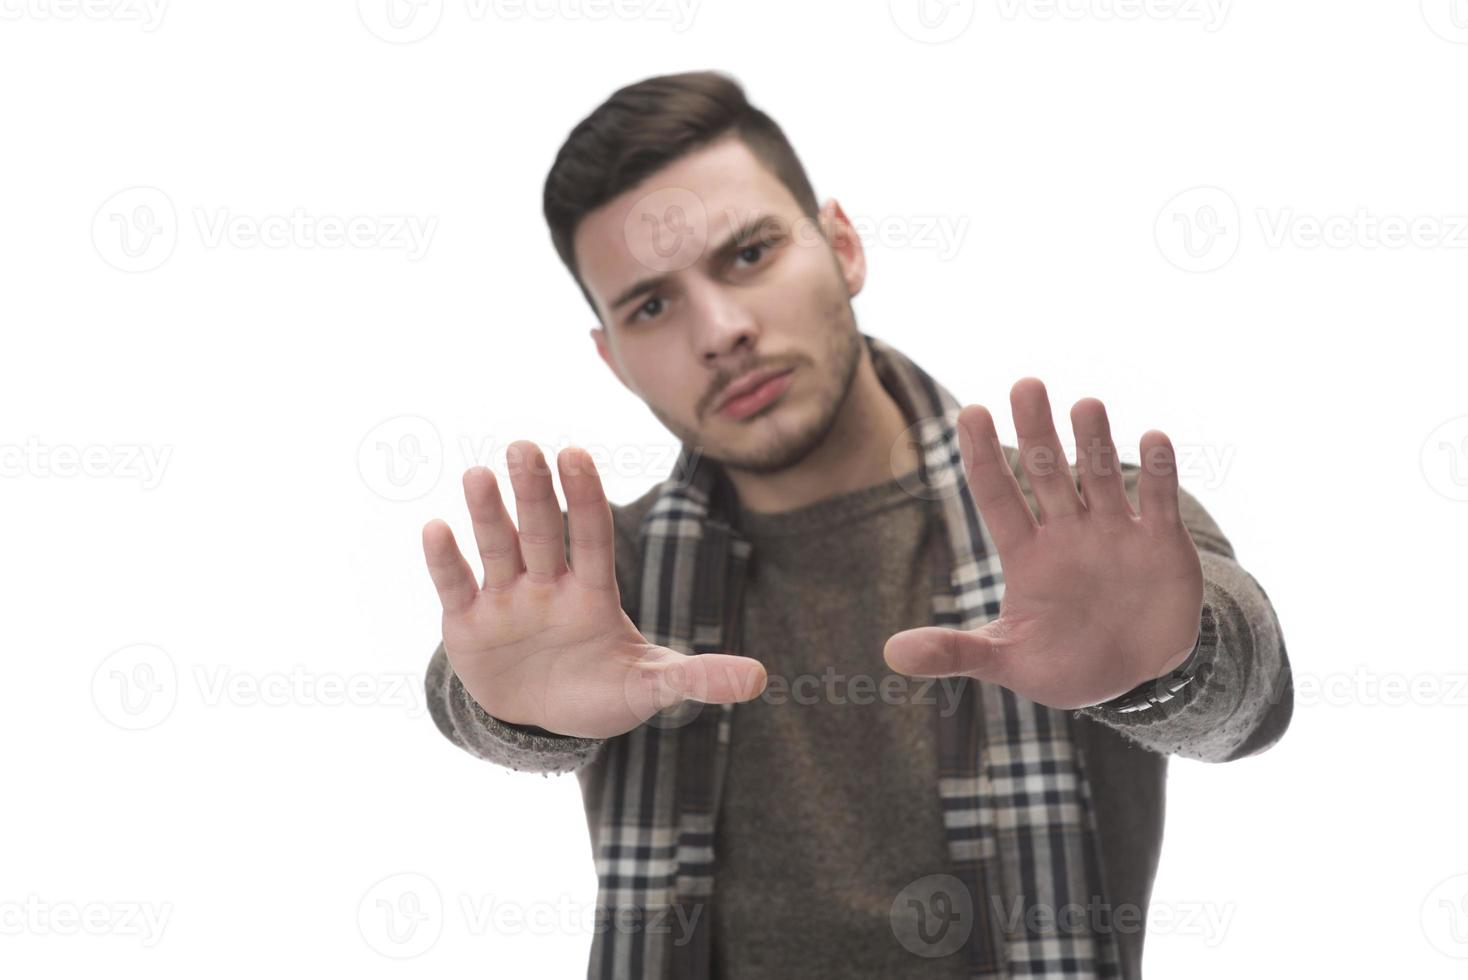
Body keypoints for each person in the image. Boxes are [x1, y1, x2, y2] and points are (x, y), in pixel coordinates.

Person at [420, 70, 1292, 980]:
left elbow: (1249, 692)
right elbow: (476, 682)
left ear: (843, 246)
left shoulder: (1079, 535)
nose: (719, 330)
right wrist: (507, 715)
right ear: (613, 360)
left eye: (749, 254)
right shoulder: (612, 590)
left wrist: (1172, 668)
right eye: (650, 305)